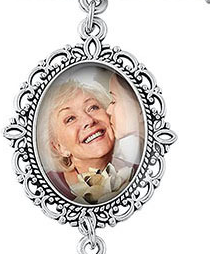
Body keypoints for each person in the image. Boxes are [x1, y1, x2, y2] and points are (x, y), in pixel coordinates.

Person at [40, 69, 143, 204]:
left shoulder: (142, 172)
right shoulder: (45, 188)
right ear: (59, 147)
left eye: (93, 108)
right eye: (70, 119)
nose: (89, 120)